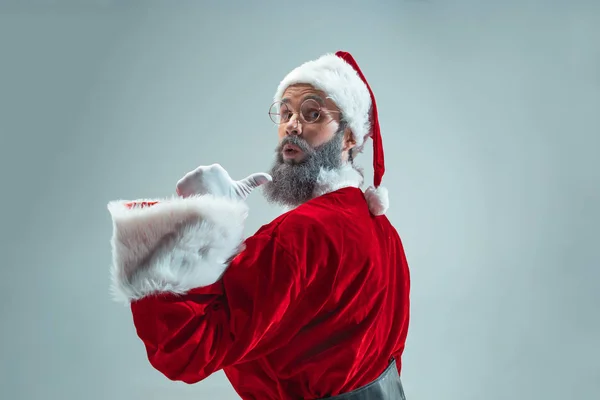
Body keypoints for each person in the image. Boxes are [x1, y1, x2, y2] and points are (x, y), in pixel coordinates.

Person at [107, 51, 411, 400]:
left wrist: (199, 223)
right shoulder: (380, 228)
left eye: (312, 113)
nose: (292, 127)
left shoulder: (300, 235)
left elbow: (186, 350)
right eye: (285, 113)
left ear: (350, 136)